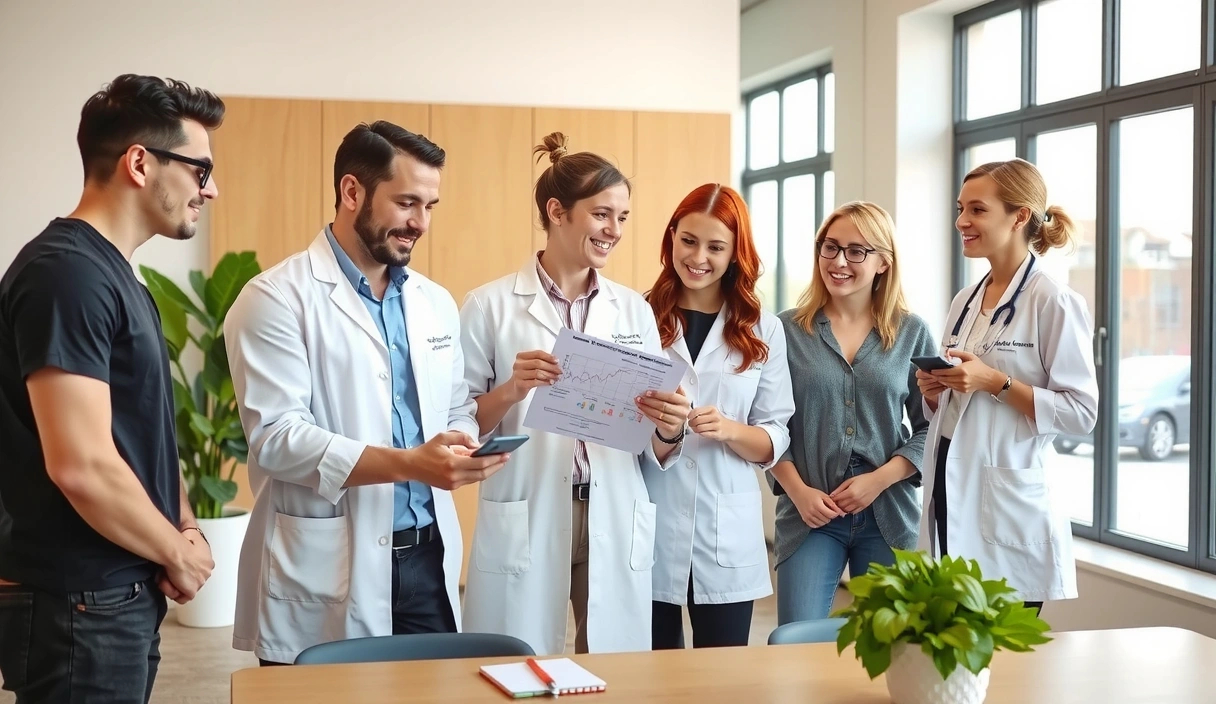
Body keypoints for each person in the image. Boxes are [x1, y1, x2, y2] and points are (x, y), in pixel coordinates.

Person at [223, 121, 509, 665]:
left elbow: (455, 407)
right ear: (352, 192)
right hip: (329, 560)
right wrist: (409, 464)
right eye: (406, 203)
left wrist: (460, 439)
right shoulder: (275, 299)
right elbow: (277, 439)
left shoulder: (434, 303)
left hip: (426, 560)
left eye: (430, 206)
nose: (420, 223)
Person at [0, 74, 222, 703]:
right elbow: (82, 465)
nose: (211, 188)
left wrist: (183, 526)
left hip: (115, 590)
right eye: (200, 170)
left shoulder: (116, 275)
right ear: (140, 162)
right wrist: (175, 555)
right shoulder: (65, 275)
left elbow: (143, 427)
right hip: (80, 600)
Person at [460, 132, 687, 655]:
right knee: (515, 663)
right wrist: (513, 390)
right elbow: (460, 422)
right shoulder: (489, 305)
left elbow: (647, 445)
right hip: (531, 504)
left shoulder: (632, 309)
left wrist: (669, 427)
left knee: (614, 666)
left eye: (623, 218)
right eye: (602, 214)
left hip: (611, 505)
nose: (614, 231)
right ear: (557, 211)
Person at [917, 158, 1098, 612]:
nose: (962, 221)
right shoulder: (965, 300)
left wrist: (994, 382)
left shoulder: (1053, 301)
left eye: (977, 210)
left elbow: (1081, 413)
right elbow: (957, 405)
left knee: (1006, 670)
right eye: (961, 208)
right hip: (949, 484)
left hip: (1007, 500)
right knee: (952, 666)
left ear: (1019, 216)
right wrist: (935, 391)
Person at [640, 184, 795, 649]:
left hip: (725, 531)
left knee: (723, 676)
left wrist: (729, 429)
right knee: (652, 676)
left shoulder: (763, 328)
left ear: (735, 254)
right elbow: (618, 426)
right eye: (688, 240)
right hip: (650, 518)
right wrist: (665, 434)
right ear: (671, 238)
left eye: (715, 246)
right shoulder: (638, 316)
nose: (698, 257)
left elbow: (776, 436)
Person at [769, 201, 937, 626]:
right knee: (795, 644)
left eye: (857, 251)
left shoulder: (911, 332)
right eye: (831, 247)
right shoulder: (785, 330)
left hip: (888, 513)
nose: (839, 261)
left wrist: (879, 480)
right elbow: (769, 425)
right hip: (810, 514)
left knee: (889, 651)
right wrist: (799, 493)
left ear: (884, 262)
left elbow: (929, 428)